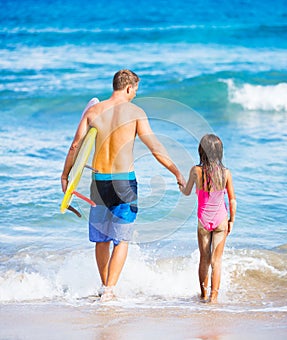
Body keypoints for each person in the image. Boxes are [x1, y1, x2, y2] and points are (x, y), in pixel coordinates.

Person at [61, 69, 185, 301]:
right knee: (122, 239)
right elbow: (155, 148)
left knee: (101, 238)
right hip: (124, 182)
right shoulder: (136, 113)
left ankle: (103, 285)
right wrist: (176, 171)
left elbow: (75, 146)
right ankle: (110, 290)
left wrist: (65, 176)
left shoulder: (93, 111)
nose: (136, 94)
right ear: (128, 87)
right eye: (136, 89)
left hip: (99, 182)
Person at [179, 134, 236, 303]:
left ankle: (203, 296)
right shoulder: (226, 173)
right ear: (220, 152)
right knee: (216, 261)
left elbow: (187, 191)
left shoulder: (196, 171)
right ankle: (214, 298)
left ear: (201, 151)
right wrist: (232, 220)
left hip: (203, 221)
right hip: (221, 221)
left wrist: (181, 184)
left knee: (204, 259)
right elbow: (232, 200)